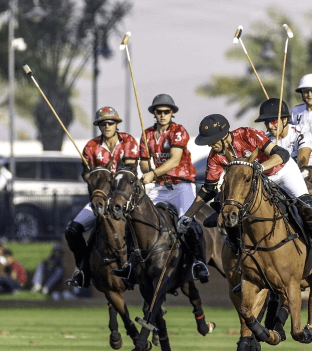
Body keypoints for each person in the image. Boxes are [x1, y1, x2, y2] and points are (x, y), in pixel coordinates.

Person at [181, 105, 312, 275]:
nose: (210, 144)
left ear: (224, 135)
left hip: (283, 171)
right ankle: (241, 257)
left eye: (213, 140)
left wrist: (261, 166)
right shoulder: (215, 157)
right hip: (260, 180)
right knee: (233, 212)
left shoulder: (247, 134)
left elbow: (281, 154)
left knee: (308, 207)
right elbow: (208, 189)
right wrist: (188, 215)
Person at [115, 93, 210, 283]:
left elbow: (175, 159)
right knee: (136, 218)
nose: (163, 115)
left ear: (172, 113)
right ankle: (130, 264)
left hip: (182, 186)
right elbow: (144, 162)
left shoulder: (178, 131)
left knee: (187, 222)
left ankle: (199, 262)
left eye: (167, 111)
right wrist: (146, 170)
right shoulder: (147, 134)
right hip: (160, 187)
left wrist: (153, 173)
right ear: (154, 113)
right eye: (159, 111)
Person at [65, 106, 139, 288]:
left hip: (125, 198)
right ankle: (83, 270)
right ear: (98, 126)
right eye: (103, 123)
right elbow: (86, 174)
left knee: (143, 228)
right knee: (72, 230)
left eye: (110, 123)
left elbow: (130, 171)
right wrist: (95, 179)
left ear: (116, 124)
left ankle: (142, 268)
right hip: (101, 199)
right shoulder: (91, 146)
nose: (107, 126)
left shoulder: (128, 141)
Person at [261, 98, 312, 167]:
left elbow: (302, 163)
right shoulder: (265, 140)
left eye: (273, 121)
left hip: (305, 172)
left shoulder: (302, 132)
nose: (270, 126)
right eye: (266, 122)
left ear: (285, 120)